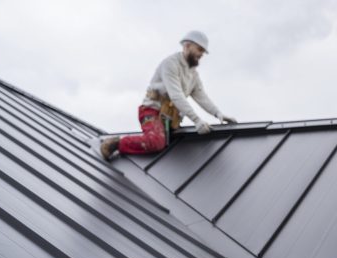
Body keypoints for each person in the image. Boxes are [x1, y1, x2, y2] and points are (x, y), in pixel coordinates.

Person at [98, 30, 236, 161]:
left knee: (179, 142)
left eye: (203, 52)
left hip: (169, 119)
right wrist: (196, 120)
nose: (201, 54)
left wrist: (218, 113)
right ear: (187, 46)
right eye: (199, 49)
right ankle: (116, 144)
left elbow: (201, 96)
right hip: (151, 112)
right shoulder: (170, 64)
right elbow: (176, 96)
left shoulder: (193, 74)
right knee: (156, 142)